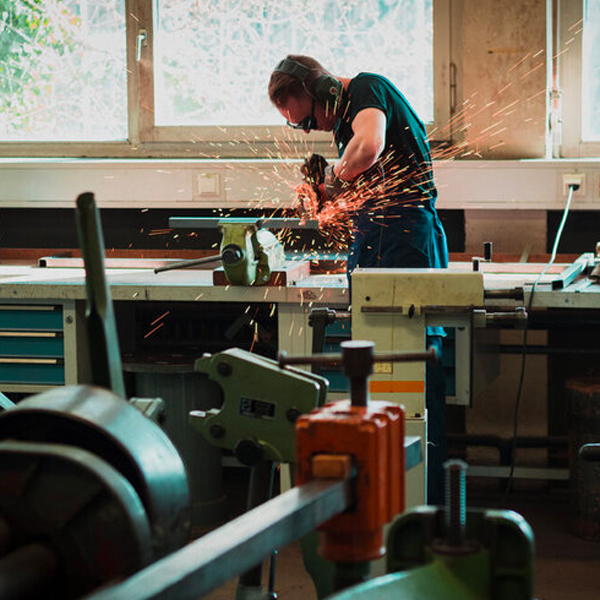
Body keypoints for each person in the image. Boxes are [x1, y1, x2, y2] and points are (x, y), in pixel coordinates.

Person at [268, 55, 448, 506]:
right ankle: (390, 491)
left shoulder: (367, 90)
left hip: (404, 240)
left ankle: (423, 498)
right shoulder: (343, 121)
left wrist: (332, 179)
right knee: (383, 368)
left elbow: (368, 148)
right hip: (377, 237)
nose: (309, 129)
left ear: (324, 89)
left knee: (413, 370)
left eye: (307, 119)